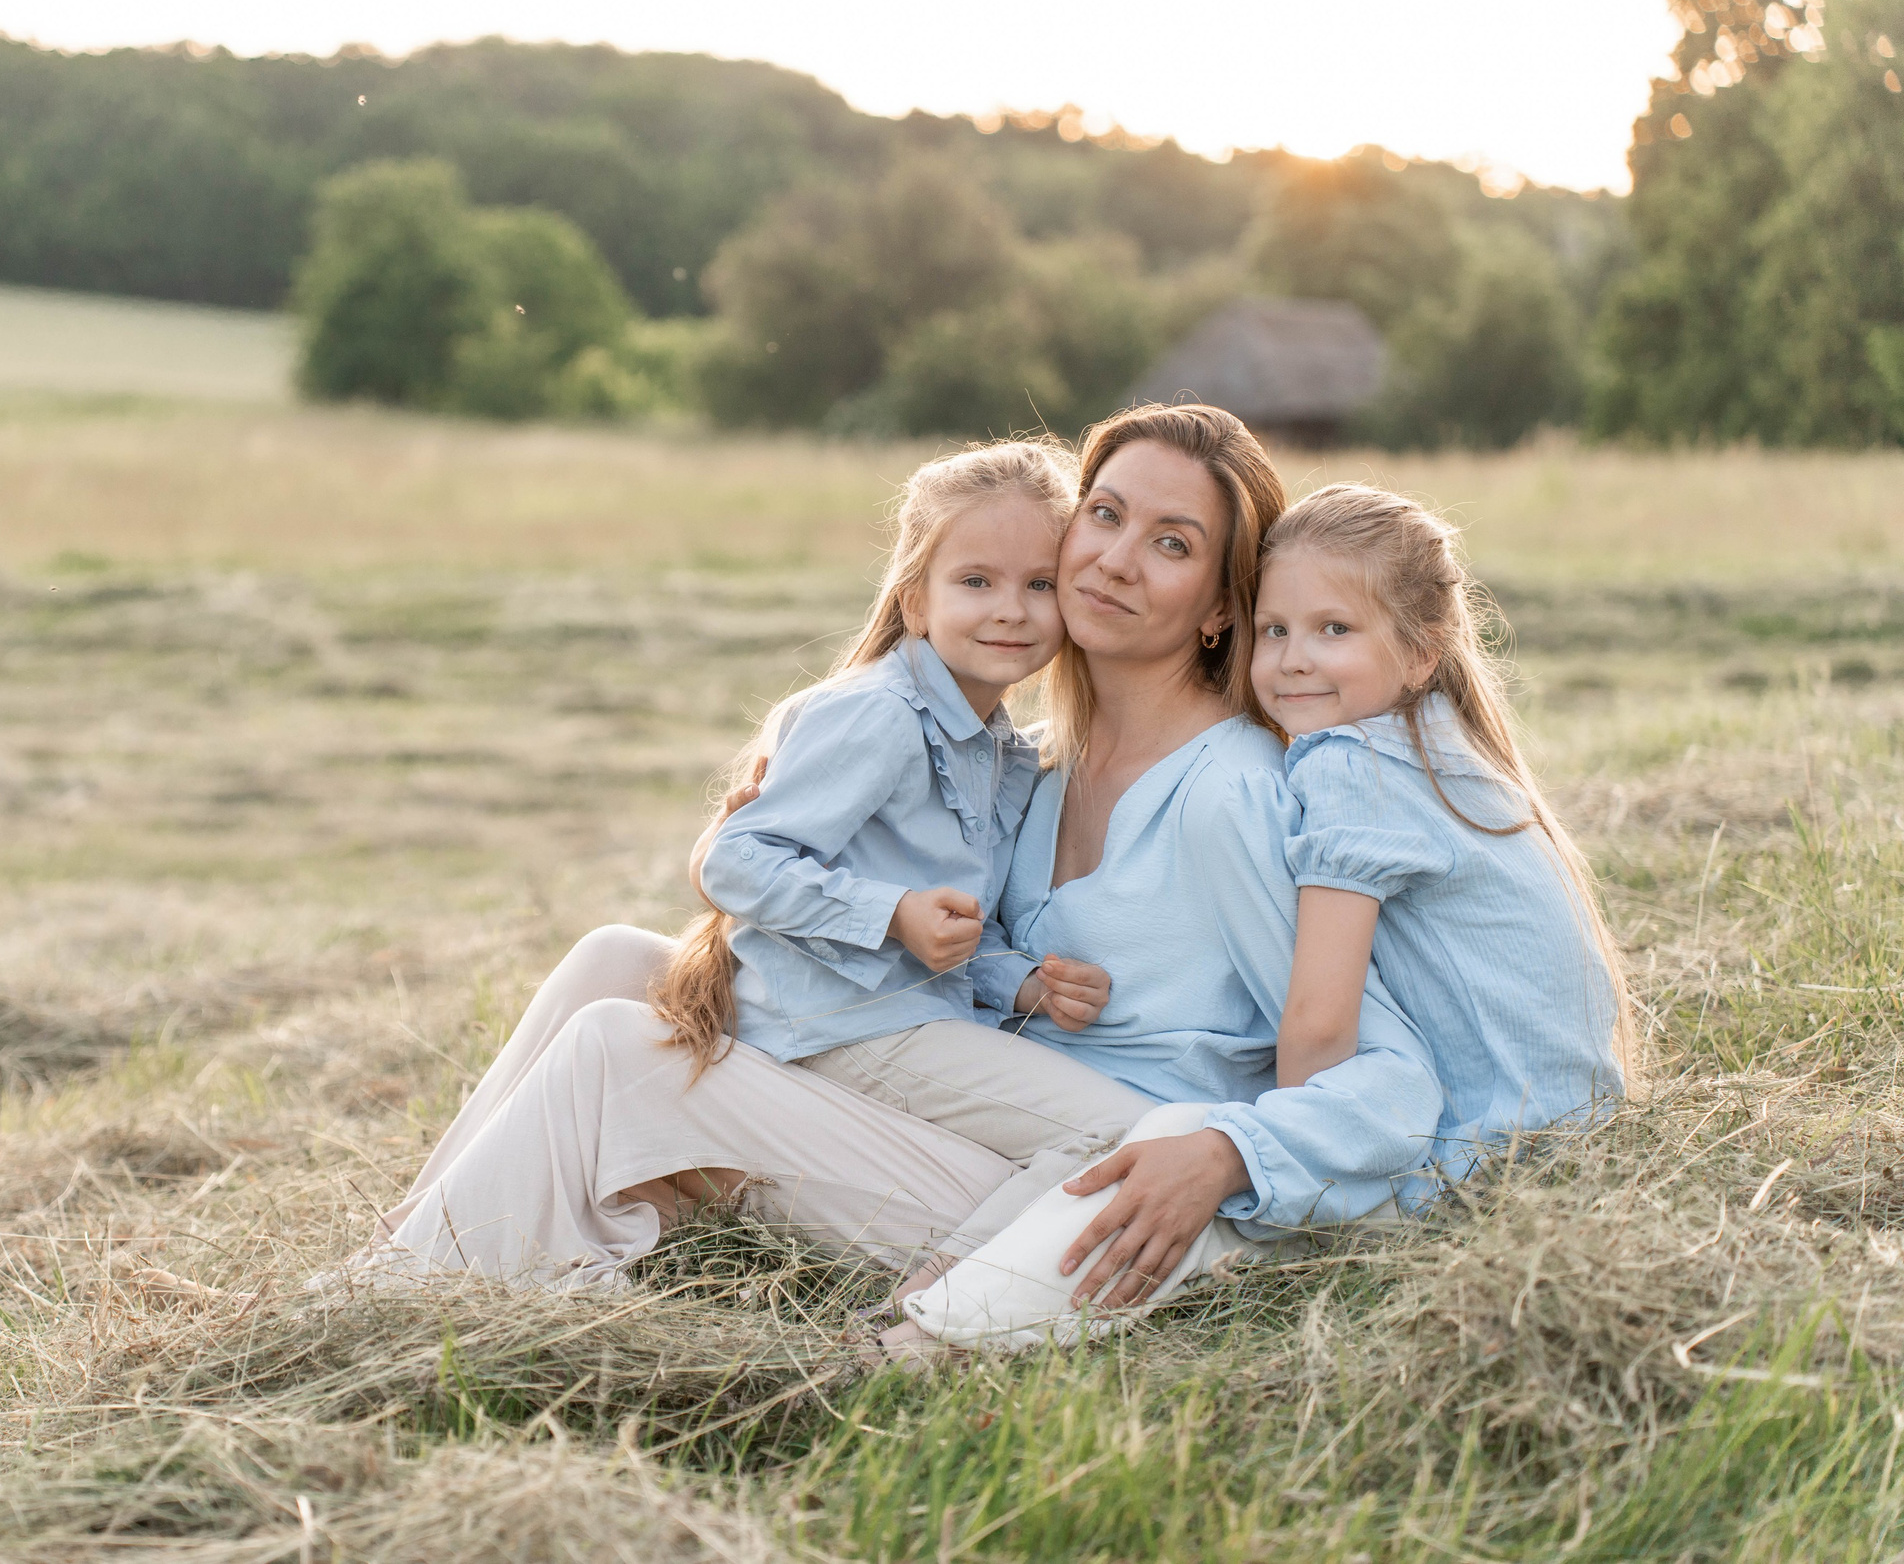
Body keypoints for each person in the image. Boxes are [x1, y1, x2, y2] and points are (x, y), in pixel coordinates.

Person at [352, 405, 1448, 1308]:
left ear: (1219, 606)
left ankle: (416, 1294)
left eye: (1171, 543)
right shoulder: (1031, 765)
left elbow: (1356, 1051)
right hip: (942, 1082)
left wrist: (1227, 1159)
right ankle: (400, 1253)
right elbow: (915, 905)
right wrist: (774, 821)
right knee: (612, 961)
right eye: (1105, 515)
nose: (1114, 559)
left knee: (618, 1052)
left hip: (1072, 1182)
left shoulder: (1228, 790)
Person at [895, 481, 1632, 1351]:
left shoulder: (1352, 763)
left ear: (1422, 652)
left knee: (1178, 1148)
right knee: (1183, 1144)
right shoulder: (1433, 748)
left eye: (1334, 630)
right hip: (1559, 1146)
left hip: (1473, 1167)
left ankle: (934, 1337)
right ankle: (946, 1312)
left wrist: (1276, 1148)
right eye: (1276, 630)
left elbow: (1317, 1024)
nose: (1293, 661)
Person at [669, 438, 1127, 1172]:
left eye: (1040, 584)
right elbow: (736, 861)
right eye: (975, 581)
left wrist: (1024, 984)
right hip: (839, 1024)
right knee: (1125, 1134)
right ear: (916, 601)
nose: (1011, 610)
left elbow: (956, 923)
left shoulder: (999, 748)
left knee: (1116, 1129)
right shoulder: (882, 713)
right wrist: (893, 914)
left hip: (906, 1016)